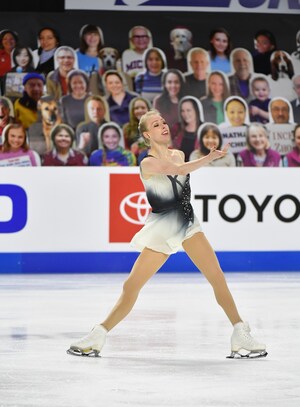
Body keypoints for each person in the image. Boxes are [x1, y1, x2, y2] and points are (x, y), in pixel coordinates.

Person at [67, 109, 267, 360]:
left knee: (217, 277)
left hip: (187, 222)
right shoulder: (147, 163)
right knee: (131, 285)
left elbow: (179, 165)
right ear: (147, 135)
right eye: (156, 124)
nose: (163, 126)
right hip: (163, 227)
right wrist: (208, 158)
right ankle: (98, 334)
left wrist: (205, 159)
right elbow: (178, 170)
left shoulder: (178, 153)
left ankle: (240, 331)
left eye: (163, 121)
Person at [171, 96, 203, 161]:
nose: (185, 114)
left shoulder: (204, 129)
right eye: (182, 111)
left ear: (196, 110)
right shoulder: (177, 128)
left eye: (188, 110)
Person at [122, 96, 151, 161]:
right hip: (134, 161)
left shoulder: (155, 126)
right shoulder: (127, 128)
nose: (140, 110)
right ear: (132, 111)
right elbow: (125, 150)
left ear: (148, 109)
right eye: (136, 108)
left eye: (143, 108)